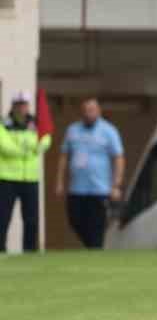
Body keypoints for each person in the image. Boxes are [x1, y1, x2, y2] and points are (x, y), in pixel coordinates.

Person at [56, 98, 123, 250]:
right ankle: (92, 247)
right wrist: (59, 181)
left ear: (99, 111)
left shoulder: (108, 131)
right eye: (86, 110)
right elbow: (64, 156)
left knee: (96, 227)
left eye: (92, 110)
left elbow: (118, 158)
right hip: (77, 189)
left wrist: (116, 185)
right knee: (75, 221)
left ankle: (95, 250)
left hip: (99, 189)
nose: (89, 114)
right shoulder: (72, 130)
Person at [0, 91, 50, 253]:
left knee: (31, 218)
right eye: (19, 104)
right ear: (13, 106)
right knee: (3, 216)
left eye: (24, 104)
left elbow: (45, 140)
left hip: (30, 177)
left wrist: (36, 146)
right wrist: (25, 150)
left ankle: (30, 250)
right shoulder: (4, 123)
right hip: (7, 176)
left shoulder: (36, 123)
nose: (22, 108)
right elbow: (4, 145)